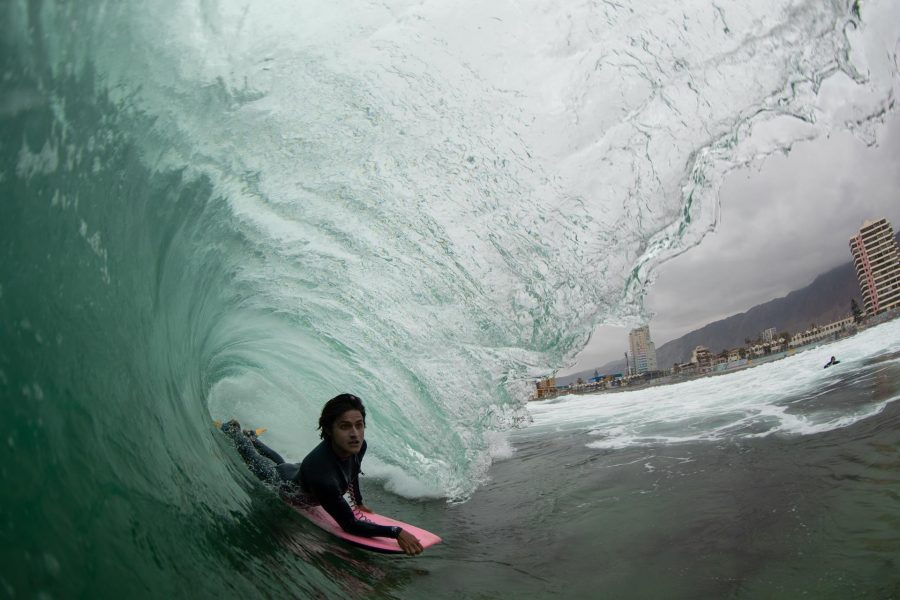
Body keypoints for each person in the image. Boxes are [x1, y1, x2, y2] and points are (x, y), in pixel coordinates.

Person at [220, 393, 424, 555]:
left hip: (299, 472)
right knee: (257, 461)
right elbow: (349, 525)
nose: (355, 433)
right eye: (345, 426)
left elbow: (352, 473)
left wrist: (358, 502)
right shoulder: (322, 476)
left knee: (282, 462)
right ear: (329, 429)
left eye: (359, 425)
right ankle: (236, 432)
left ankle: (254, 439)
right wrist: (394, 532)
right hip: (283, 483)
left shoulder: (358, 446)